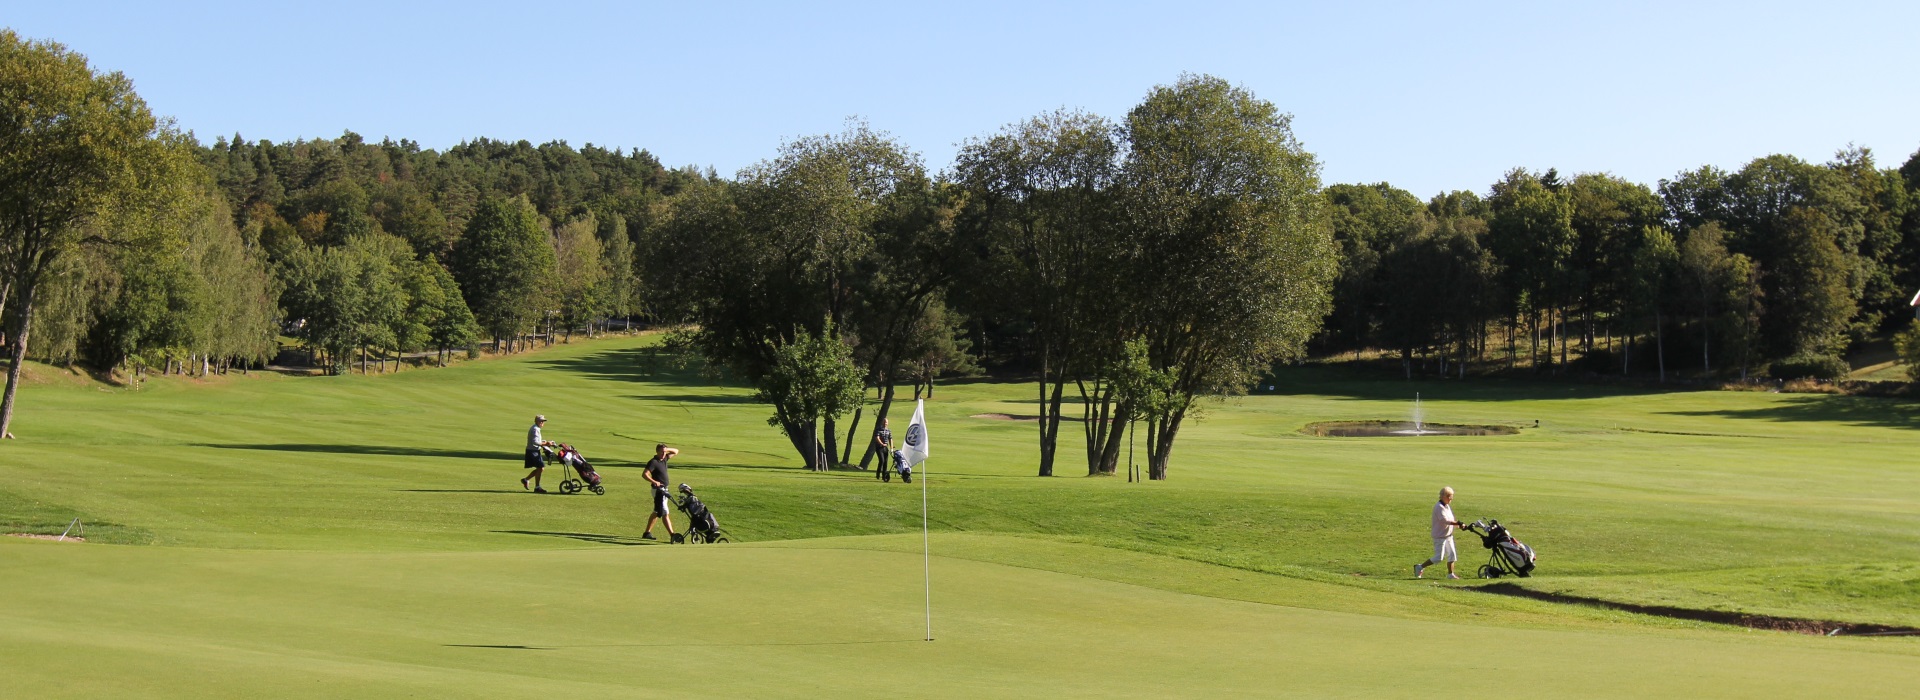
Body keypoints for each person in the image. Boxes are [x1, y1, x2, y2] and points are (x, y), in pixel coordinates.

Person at [1415, 486, 1465, 579]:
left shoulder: (1447, 506)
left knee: (1452, 555)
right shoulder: (1439, 507)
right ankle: (1420, 567)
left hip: (1448, 536)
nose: (1451, 499)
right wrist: (1458, 523)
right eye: (1450, 497)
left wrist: (1458, 525)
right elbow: (1445, 520)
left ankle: (1450, 574)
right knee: (1439, 558)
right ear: (1444, 496)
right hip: (1440, 537)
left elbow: (1451, 519)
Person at [642, 443, 680, 542]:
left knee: (656, 511)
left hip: (664, 490)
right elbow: (645, 474)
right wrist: (654, 482)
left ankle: (647, 533)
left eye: (665, 452)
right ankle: (672, 534)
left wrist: (667, 449)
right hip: (658, 491)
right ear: (657, 452)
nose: (664, 453)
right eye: (662, 452)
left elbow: (676, 451)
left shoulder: (665, 459)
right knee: (665, 512)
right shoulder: (653, 462)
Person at [522, 415, 556, 493]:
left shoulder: (536, 428)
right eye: (541, 421)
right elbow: (535, 442)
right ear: (536, 421)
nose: (542, 423)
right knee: (541, 468)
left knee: (540, 468)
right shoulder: (535, 429)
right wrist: (546, 444)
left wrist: (546, 443)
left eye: (543, 421)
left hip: (533, 450)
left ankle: (526, 480)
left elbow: (537, 440)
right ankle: (536, 487)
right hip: (533, 451)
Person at [873, 418, 893, 482]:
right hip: (879, 447)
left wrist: (891, 448)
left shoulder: (888, 431)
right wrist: (882, 443)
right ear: (882, 423)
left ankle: (884, 476)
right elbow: (877, 438)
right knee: (881, 460)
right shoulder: (878, 429)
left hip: (885, 448)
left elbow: (890, 439)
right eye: (884, 422)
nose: (885, 423)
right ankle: (878, 473)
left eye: (886, 422)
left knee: (885, 462)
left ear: (888, 423)